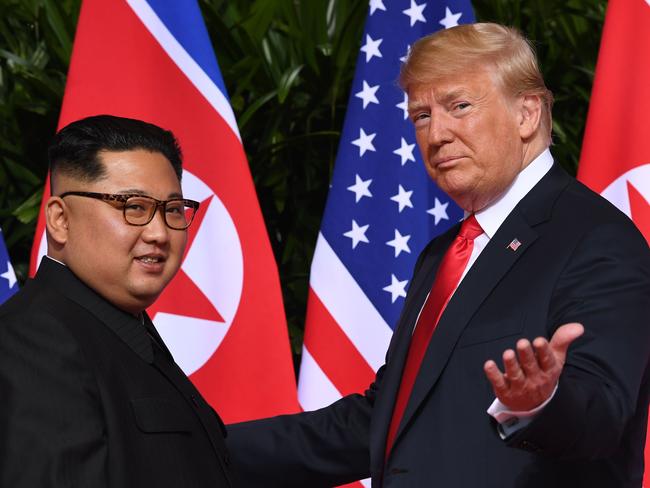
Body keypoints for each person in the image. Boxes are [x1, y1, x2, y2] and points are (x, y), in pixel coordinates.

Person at [226, 23, 650, 487]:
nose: (436, 134)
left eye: (459, 106)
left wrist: (540, 403)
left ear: (527, 114)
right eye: (421, 116)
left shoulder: (595, 238)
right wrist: (196, 447)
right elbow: (383, 423)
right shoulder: (442, 253)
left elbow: (603, 415)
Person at [0, 115, 236, 487]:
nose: (159, 233)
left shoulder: (116, 323)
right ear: (60, 220)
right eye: (134, 206)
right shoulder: (34, 341)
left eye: (173, 210)